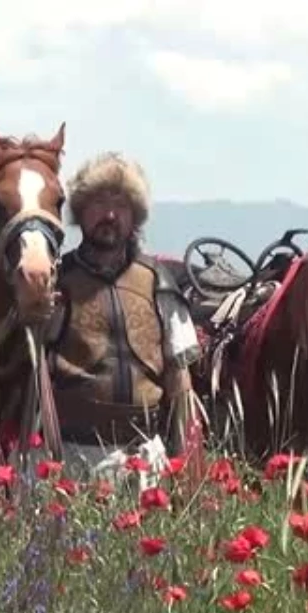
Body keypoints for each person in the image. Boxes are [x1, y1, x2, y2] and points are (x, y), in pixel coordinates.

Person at [45, 151, 205, 488]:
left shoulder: (158, 282)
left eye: (122, 205)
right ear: (80, 211)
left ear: (135, 216)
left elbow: (181, 384)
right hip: (73, 458)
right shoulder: (57, 281)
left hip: (145, 459)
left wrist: (190, 471)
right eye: (99, 203)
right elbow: (33, 375)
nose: (110, 214)